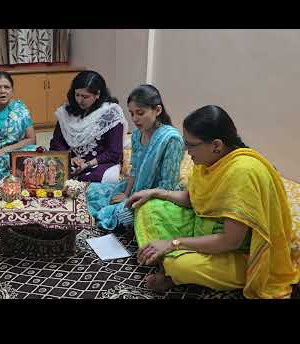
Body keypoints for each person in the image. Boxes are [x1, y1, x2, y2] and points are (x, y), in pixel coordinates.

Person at [126, 105, 300, 299]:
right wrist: (157, 192)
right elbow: (193, 200)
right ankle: (167, 259)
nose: (185, 150)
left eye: (191, 145)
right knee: (149, 206)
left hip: (239, 253)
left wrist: (173, 243)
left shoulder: (242, 172)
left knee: (182, 266)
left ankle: (172, 271)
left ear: (216, 145)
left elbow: (230, 241)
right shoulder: (210, 161)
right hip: (204, 227)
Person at [87, 85, 184, 231]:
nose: (134, 119)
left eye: (140, 113)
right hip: (136, 188)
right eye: (131, 114)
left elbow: (167, 186)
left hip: (158, 197)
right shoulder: (137, 134)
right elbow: (135, 169)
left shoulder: (171, 139)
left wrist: (134, 198)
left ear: (157, 110)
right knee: (92, 191)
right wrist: (126, 193)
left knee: (122, 215)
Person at [49, 70, 128, 183]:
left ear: (97, 94)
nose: (79, 100)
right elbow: (56, 143)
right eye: (77, 95)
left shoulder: (110, 114)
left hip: (98, 162)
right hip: (72, 161)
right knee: (50, 172)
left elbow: (114, 153)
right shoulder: (67, 112)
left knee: (96, 179)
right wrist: (70, 159)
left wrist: (87, 164)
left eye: (85, 96)